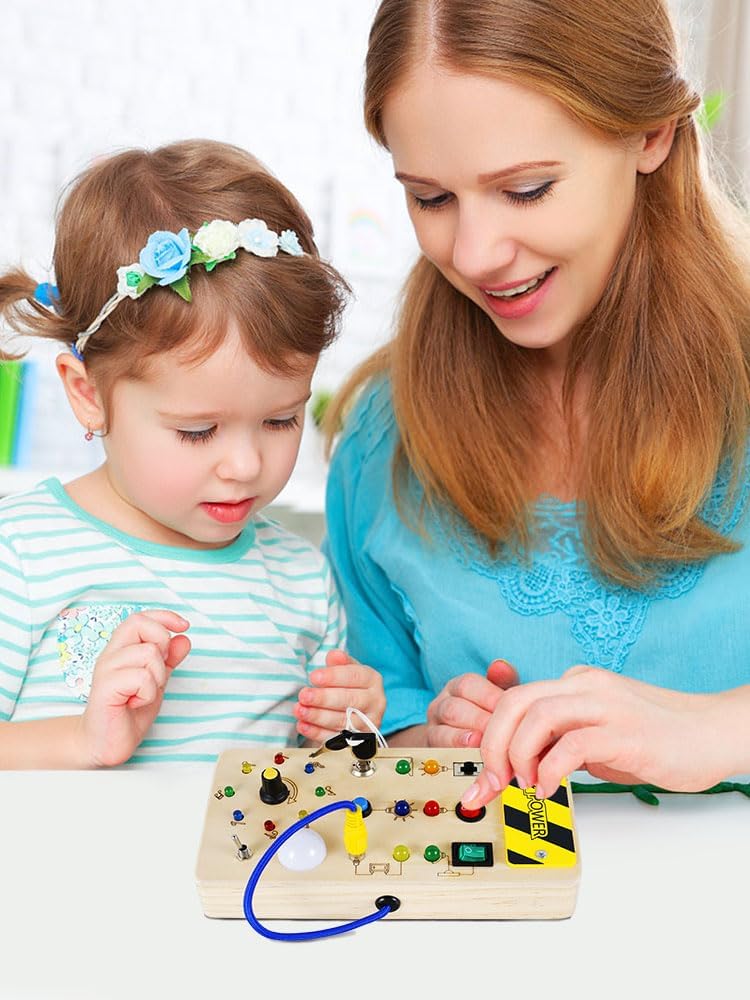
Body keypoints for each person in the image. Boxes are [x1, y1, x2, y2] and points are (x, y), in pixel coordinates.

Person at [322, 0, 750, 803]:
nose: (475, 254)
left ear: (649, 135)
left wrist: (715, 731)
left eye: (525, 189)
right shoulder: (385, 439)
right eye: (431, 199)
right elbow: (367, 728)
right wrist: (426, 737)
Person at [0, 139, 384, 768]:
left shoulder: (302, 583)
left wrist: (349, 732)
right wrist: (79, 740)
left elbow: (328, 785)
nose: (245, 465)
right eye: (198, 431)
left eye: (280, 419)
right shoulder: (21, 555)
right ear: (88, 395)